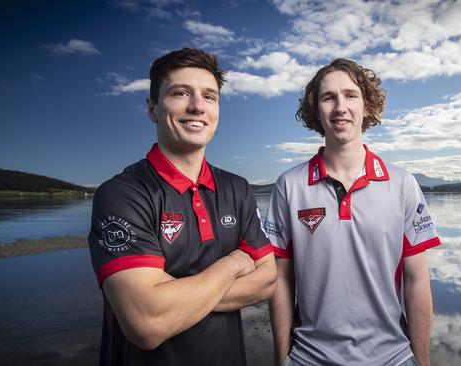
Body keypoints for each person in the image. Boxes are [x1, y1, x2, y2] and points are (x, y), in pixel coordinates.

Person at [88, 48, 276, 366]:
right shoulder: (121, 194)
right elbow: (147, 323)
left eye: (209, 96)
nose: (197, 106)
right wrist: (230, 266)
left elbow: (268, 280)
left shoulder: (237, 188)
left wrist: (174, 294)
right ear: (152, 108)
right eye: (180, 93)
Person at [266, 58, 441, 366]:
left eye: (350, 95)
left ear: (367, 106)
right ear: (316, 110)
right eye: (328, 97)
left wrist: (423, 361)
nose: (340, 107)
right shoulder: (289, 185)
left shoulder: (402, 183)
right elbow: (280, 278)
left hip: (393, 359)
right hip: (309, 358)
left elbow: (416, 279)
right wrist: (282, 358)